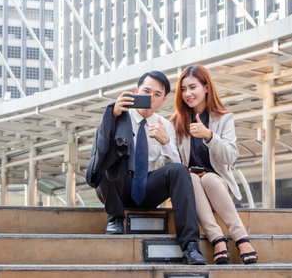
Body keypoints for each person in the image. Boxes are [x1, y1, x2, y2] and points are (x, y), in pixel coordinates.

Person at [87, 71, 207, 265]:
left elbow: (177, 169)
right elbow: (99, 152)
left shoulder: (165, 125)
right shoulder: (118, 116)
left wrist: (166, 142)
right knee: (111, 159)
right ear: (136, 92)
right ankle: (115, 219)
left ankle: (191, 246)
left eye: (157, 95)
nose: (150, 98)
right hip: (116, 187)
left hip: (147, 189)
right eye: (146, 92)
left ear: (163, 100)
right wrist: (113, 115)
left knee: (179, 171)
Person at [170, 65, 258, 264]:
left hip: (218, 186)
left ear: (206, 87)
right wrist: (166, 143)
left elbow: (230, 157)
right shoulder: (176, 123)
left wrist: (209, 136)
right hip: (192, 189)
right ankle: (218, 239)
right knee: (190, 176)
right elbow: (174, 165)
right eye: (183, 89)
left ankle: (241, 237)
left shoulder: (224, 118)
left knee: (209, 178)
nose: (187, 94)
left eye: (192, 87)